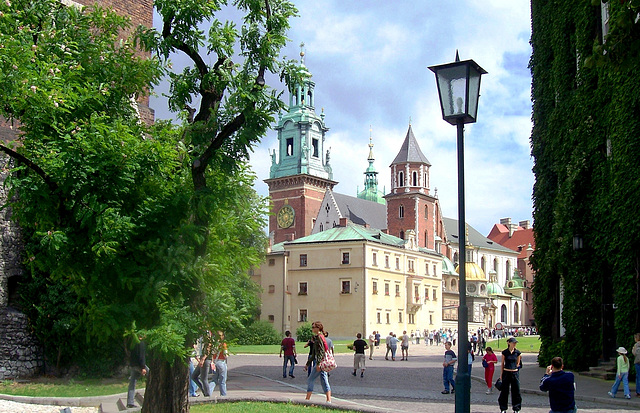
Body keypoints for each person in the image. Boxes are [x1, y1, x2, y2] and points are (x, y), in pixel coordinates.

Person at [305, 321, 331, 403]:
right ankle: (328, 399)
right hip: (320, 361)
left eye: (313, 327)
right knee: (324, 380)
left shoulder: (319, 337)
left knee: (311, 379)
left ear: (318, 328)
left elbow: (321, 351)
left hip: (320, 362)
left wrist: (319, 363)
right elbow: (314, 352)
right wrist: (308, 363)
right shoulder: (318, 337)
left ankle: (308, 399)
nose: (312, 329)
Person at [498, 337, 522, 413]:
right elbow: (502, 364)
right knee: (504, 391)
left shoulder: (517, 352)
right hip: (506, 372)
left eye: (515, 343)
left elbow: (518, 364)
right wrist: (501, 374)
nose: (514, 344)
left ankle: (516, 408)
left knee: (516, 391)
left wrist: (516, 369)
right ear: (509, 343)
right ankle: (503, 408)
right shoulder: (505, 352)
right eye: (513, 343)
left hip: (514, 373)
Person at [127, 336, 147, 408]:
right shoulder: (141, 344)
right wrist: (143, 367)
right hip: (139, 365)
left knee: (132, 382)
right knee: (152, 377)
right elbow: (141, 356)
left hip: (133, 365)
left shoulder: (133, 343)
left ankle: (130, 402)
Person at [191, 331, 213, 397]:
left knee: (204, 378)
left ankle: (208, 395)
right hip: (201, 357)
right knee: (194, 376)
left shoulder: (207, 333)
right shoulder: (200, 334)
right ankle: (205, 393)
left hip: (205, 359)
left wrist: (203, 359)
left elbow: (208, 347)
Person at [208, 330, 228, 397]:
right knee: (222, 380)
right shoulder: (223, 344)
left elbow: (212, 354)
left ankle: (208, 393)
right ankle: (223, 394)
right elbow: (225, 355)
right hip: (221, 362)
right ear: (222, 336)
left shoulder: (215, 345)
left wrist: (212, 362)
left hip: (215, 362)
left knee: (214, 379)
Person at [632, 333, 640, 398]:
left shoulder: (636, 345)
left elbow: (634, 353)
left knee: (638, 377)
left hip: (637, 362)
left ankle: (638, 391)